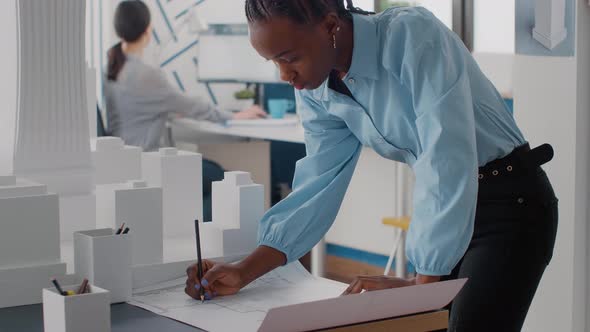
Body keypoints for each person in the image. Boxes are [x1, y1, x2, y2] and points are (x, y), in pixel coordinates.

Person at [185, 1, 558, 331]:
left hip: (510, 205)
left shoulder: (412, 36)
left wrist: (420, 287)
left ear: (331, 26)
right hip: (457, 208)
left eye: (289, 57)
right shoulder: (319, 90)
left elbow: (446, 156)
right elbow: (317, 186)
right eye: (274, 62)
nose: (285, 76)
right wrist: (243, 271)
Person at [104, 1, 266, 221]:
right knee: (221, 179)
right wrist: (234, 115)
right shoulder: (146, 74)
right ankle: (191, 231)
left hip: (125, 165)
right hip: (149, 164)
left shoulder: (112, 67)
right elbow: (193, 106)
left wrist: (164, 109)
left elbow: (139, 108)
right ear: (147, 30)